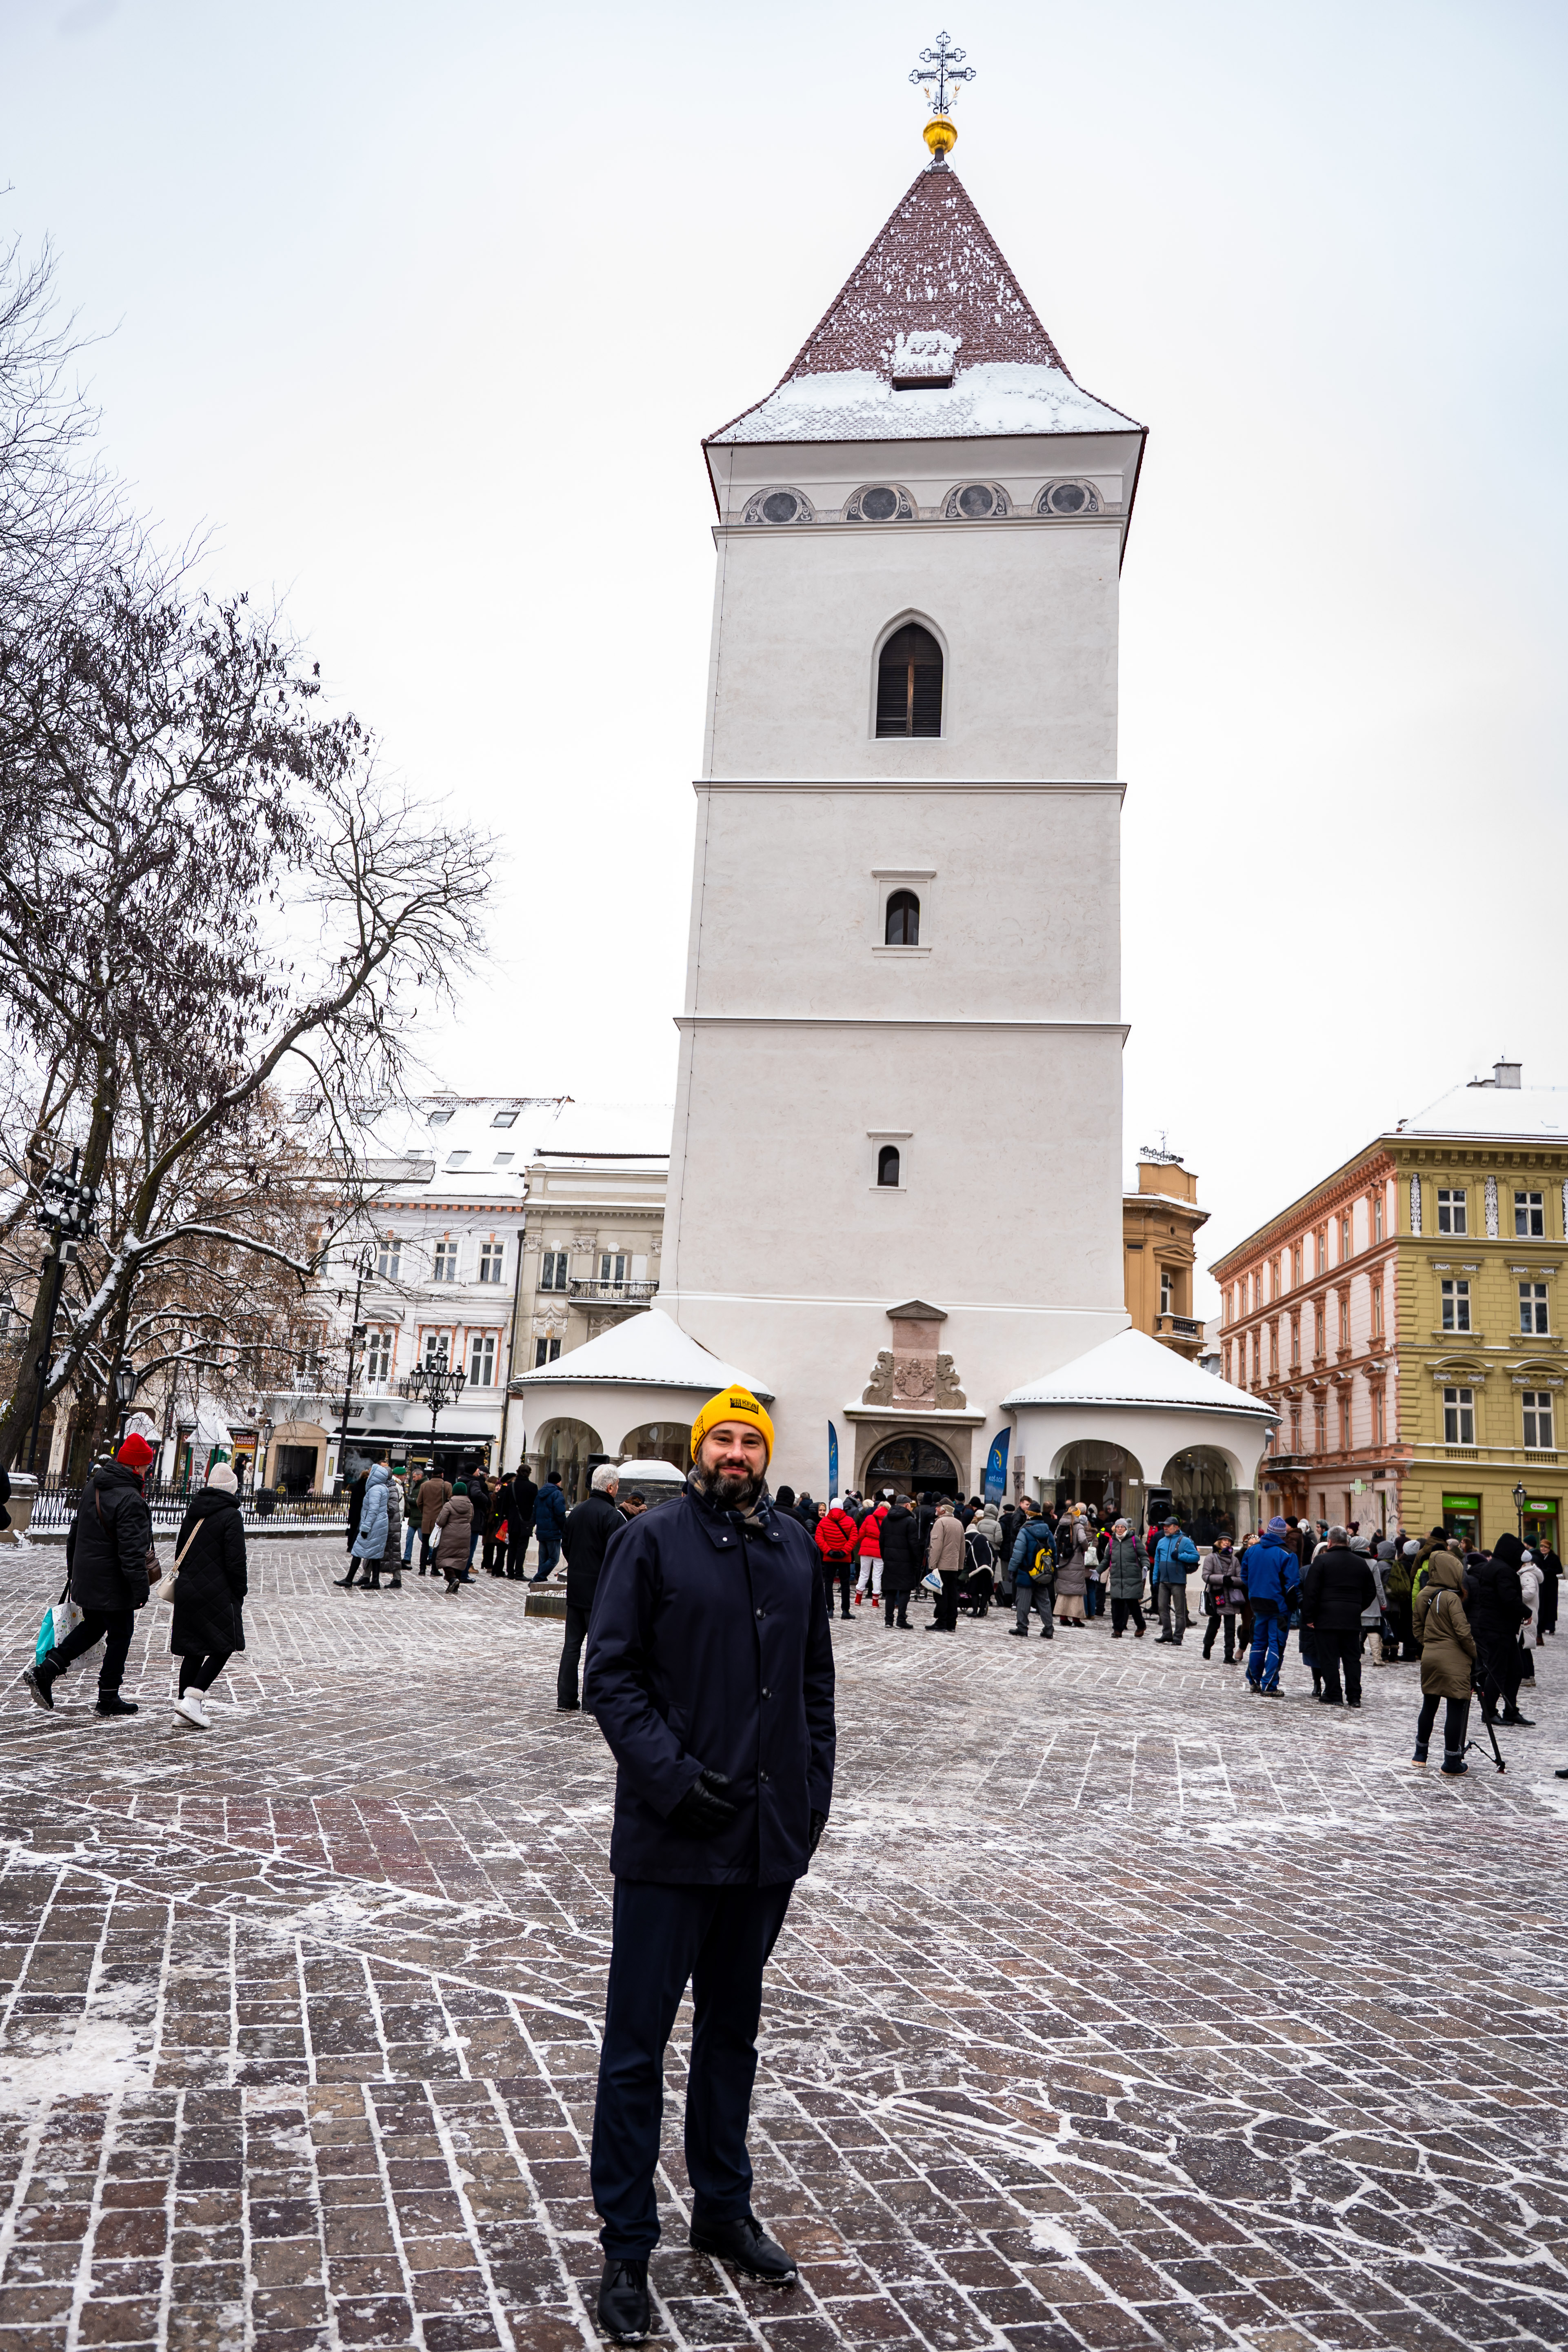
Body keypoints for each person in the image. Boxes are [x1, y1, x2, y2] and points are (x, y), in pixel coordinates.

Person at [582, 1384, 835, 2341]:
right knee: (637, 2046)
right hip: (669, 1837)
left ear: (764, 1453)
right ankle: (625, 2244)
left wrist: (806, 1800)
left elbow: (814, 1685)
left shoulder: (791, 1547)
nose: (734, 1452)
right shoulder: (650, 1541)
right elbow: (611, 1671)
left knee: (732, 2034)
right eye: (720, 1438)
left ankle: (722, 2208)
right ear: (699, 1450)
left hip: (763, 1843)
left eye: (748, 1439)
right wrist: (669, 1778)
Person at [23, 1428, 158, 1717]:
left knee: (94, 1626)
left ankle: (46, 1670)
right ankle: (108, 1697)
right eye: (146, 1464)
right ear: (136, 1466)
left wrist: (75, 1573)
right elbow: (132, 1553)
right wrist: (140, 1589)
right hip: (114, 1583)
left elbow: (75, 1535)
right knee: (120, 1634)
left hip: (89, 1577)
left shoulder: (94, 1487)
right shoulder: (131, 1499)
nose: (148, 1470)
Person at [169, 1460, 248, 1726]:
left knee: (194, 1650)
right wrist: (240, 1591)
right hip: (217, 1592)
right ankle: (192, 1700)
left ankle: (184, 1708)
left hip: (188, 1589)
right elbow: (236, 1561)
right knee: (225, 1645)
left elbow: (181, 1549)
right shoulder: (231, 1515)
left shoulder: (194, 1511)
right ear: (231, 1489)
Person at [560, 1465, 626, 1712]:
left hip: (576, 1588)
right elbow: (621, 1554)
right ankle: (591, 1701)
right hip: (601, 1591)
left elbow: (566, 1546)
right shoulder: (612, 1516)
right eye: (617, 1486)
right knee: (596, 1648)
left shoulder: (576, 1512)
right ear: (610, 1488)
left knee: (571, 1646)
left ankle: (565, 1700)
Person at [1412, 1549, 1477, 1775]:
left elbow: (1417, 1628)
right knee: (1456, 1707)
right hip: (1454, 1660)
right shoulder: (1452, 1598)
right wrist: (1474, 1653)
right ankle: (1451, 1761)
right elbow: (1463, 1632)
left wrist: (1430, 1644)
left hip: (1430, 1657)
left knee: (1429, 1705)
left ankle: (1420, 1754)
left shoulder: (1423, 1595)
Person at [1301, 1527, 1376, 1708]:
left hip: (1325, 1618)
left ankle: (1334, 1693)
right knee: (1352, 1658)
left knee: (1328, 1657)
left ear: (1330, 1542)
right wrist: (1357, 1607)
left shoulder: (1321, 1561)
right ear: (1348, 1542)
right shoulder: (1360, 1563)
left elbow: (1311, 1592)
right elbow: (1371, 1591)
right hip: (1351, 1618)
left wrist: (1309, 1616)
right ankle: (1354, 1696)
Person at [1468, 1532, 1532, 1727]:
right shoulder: (1503, 1570)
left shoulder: (1492, 1566)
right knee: (1498, 1670)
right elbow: (1508, 1598)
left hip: (1497, 1627)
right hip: (1497, 1628)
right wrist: (1526, 1611)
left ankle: (1511, 1710)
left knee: (1515, 1669)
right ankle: (1489, 1712)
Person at [1244, 1517, 1300, 1695]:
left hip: (1257, 1604)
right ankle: (1269, 1684)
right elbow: (1292, 1586)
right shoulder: (1287, 1555)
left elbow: (1245, 1577)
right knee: (1276, 1646)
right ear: (1283, 1535)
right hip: (1278, 1607)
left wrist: (1255, 1590)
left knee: (1258, 1643)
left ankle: (1254, 1681)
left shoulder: (1251, 1552)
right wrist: (1292, 1607)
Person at [336, 1449, 391, 1588]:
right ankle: (375, 1581)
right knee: (375, 1554)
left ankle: (349, 1579)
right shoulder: (383, 1488)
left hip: (373, 1526)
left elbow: (373, 1510)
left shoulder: (375, 1490)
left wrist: (365, 1528)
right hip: (380, 1525)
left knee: (357, 1551)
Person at [1008, 1505, 1055, 1639]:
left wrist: (1012, 1569)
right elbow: (1054, 1552)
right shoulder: (1048, 1532)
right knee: (1044, 1601)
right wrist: (1053, 1570)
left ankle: (1022, 1627)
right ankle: (1049, 1628)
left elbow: (1018, 1553)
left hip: (1026, 1571)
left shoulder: (1025, 1531)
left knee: (1023, 1601)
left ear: (1029, 1516)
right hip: (1043, 1572)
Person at [877, 1494, 921, 1628]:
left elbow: (882, 1541)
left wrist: (886, 1556)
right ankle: (901, 1619)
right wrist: (917, 1561)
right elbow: (914, 1544)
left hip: (890, 1560)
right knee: (905, 1590)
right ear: (907, 1505)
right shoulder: (910, 1521)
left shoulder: (886, 1519)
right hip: (906, 1561)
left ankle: (889, 1621)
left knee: (890, 1590)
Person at [1153, 1519, 1198, 1644]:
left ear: (1176, 1527)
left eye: (1168, 1526)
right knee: (1162, 1608)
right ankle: (1167, 1634)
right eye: (1164, 1526)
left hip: (1178, 1581)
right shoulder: (1162, 1542)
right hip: (1163, 1582)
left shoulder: (1185, 1541)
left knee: (1180, 1611)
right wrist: (1155, 1580)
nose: (1165, 1528)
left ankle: (1178, 1637)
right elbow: (1157, 1562)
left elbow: (1195, 1556)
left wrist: (1180, 1556)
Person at [813, 1498, 859, 1620]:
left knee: (828, 1583)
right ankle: (845, 1610)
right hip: (844, 1558)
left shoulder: (823, 1522)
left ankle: (830, 1609)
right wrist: (844, 1551)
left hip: (829, 1558)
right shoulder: (850, 1521)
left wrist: (829, 1551)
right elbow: (854, 1537)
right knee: (845, 1584)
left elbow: (819, 1538)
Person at [1199, 1537, 1244, 1661]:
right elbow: (1206, 1576)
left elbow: (1241, 1579)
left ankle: (1229, 1655)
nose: (1227, 1543)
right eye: (1224, 1540)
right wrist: (1223, 1579)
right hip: (1217, 1596)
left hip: (1231, 1597)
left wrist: (1232, 1581)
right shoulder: (1211, 1558)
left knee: (1230, 1628)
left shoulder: (1234, 1560)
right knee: (1214, 1625)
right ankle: (1207, 1647)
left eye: (1229, 1541)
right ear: (1218, 1542)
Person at [924, 1500, 966, 1631]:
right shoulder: (959, 1524)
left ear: (943, 1510)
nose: (936, 1509)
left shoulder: (940, 1523)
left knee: (941, 1594)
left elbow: (936, 1546)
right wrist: (960, 1565)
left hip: (941, 1565)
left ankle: (941, 1622)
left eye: (938, 1507)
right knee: (952, 1595)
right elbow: (962, 1547)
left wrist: (932, 1565)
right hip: (954, 1566)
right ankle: (951, 1623)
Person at [1105, 1519, 1146, 1639]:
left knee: (1133, 1604)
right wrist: (1098, 1571)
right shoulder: (1112, 1541)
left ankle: (1141, 1625)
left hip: (1132, 1577)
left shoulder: (1134, 1540)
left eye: (1122, 1527)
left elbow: (1143, 1555)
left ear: (1126, 1528)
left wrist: (1145, 1566)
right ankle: (1117, 1630)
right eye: (1117, 1527)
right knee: (1116, 1605)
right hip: (1117, 1577)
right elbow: (1106, 1559)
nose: (1119, 1529)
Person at [433, 1480, 474, 1594]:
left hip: (449, 1535)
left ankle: (452, 1579)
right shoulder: (470, 1505)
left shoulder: (449, 1505)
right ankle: (456, 1586)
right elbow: (471, 1519)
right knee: (460, 1558)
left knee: (444, 1558)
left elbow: (441, 1521)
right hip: (465, 1535)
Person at [1053, 1516, 1090, 1626]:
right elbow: (1083, 1540)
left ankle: (1063, 1617)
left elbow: (1055, 1538)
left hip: (1063, 1559)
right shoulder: (1079, 1526)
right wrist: (1085, 1548)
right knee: (1076, 1590)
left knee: (1064, 1589)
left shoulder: (1061, 1525)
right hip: (1075, 1560)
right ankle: (1076, 1619)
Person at [853, 1493, 887, 1609]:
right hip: (879, 1551)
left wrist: (864, 1545)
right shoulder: (887, 1521)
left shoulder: (869, 1518)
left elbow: (861, 1534)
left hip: (866, 1549)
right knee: (877, 1576)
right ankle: (875, 1602)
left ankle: (858, 1599)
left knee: (863, 1574)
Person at [532, 1472, 568, 1582]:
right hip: (553, 1532)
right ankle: (538, 1578)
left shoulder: (540, 1493)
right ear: (559, 1481)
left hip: (542, 1531)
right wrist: (565, 1529)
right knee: (554, 1559)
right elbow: (560, 1514)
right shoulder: (557, 1494)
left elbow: (535, 1511)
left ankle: (540, 1581)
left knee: (543, 1559)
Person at [418, 1466, 453, 1574]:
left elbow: (419, 1502)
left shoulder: (424, 1485)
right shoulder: (447, 1486)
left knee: (425, 1544)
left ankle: (422, 1569)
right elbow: (450, 1502)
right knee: (437, 1545)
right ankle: (434, 1568)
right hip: (440, 1521)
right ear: (442, 1475)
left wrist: (425, 1512)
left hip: (427, 1520)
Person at [508, 1470, 539, 1577]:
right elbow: (536, 1505)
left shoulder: (511, 1486)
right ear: (529, 1473)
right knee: (522, 1548)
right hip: (525, 1522)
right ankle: (519, 1572)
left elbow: (504, 1504)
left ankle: (510, 1572)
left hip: (512, 1522)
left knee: (512, 1547)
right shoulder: (532, 1487)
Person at [484, 1472, 512, 1576]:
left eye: (500, 1486)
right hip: (496, 1524)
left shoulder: (502, 1495)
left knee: (500, 1547)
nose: (498, 1488)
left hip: (498, 1524)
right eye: (497, 1486)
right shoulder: (496, 1496)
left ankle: (495, 1568)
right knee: (495, 1547)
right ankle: (493, 1568)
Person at [1537, 1537, 1561, 1643]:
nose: (1543, 1549)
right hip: (1543, 1584)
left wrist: (1549, 1571)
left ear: (1549, 1548)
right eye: (1542, 1547)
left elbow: (1559, 1570)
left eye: (1545, 1547)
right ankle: (1541, 1626)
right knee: (1542, 1605)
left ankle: (1551, 1627)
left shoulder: (1554, 1558)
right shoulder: (1539, 1557)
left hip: (1551, 1585)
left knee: (1551, 1605)